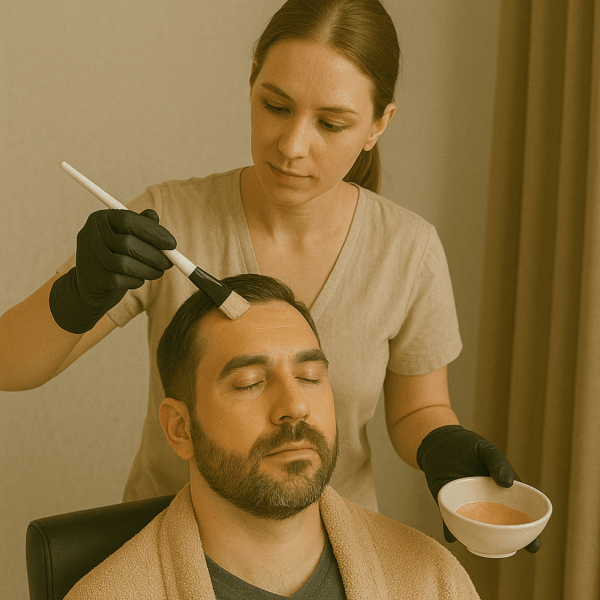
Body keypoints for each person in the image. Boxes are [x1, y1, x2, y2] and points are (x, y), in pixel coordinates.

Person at [0, 0, 540, 551]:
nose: (292, 145)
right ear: (252, 81)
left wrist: (440, 443)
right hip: (172, 555)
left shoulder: (409, 250)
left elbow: (418, 408)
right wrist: (78, 294)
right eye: (276, 106)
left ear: (379, 125)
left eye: (331, 123)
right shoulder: (170, 221)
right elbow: (7, 365)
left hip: (330, 556)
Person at [65, 274, 480, 599]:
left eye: (310, 377)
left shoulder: (431, 580)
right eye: (250, 383)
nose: (295, 406)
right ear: (180, 428)